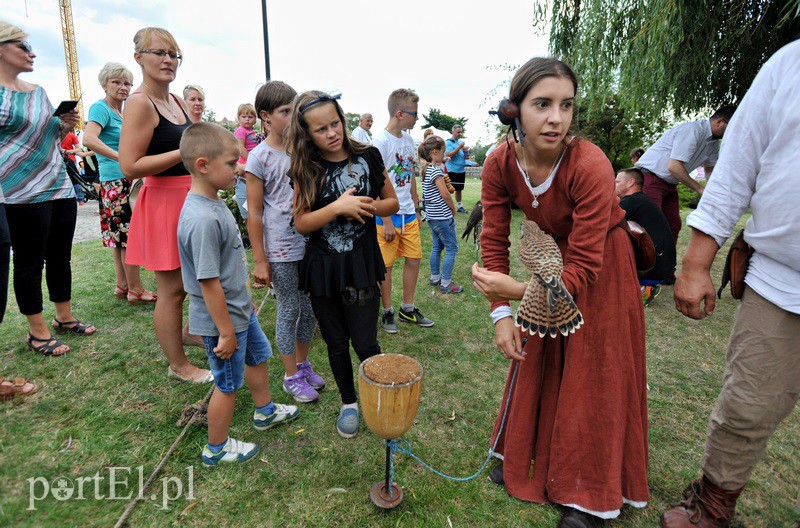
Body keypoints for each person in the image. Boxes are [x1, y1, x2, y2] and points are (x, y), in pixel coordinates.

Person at [471, 57, 648, 527]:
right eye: (542, 104)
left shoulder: (589, 163)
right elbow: (493, 239)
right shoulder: (499, 163)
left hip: (603, 266)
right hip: (553, 263)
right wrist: (500, 314)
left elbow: (585, 265)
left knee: (593, 371)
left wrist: (518, 290)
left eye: (566, 105)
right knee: (543, 358)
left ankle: (588, 494)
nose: (556, 118)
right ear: (514, 110)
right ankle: (527, 454)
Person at [661, 40, 800, 528]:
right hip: (784, 280)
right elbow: (737, 165)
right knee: (749, 403)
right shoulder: (790, 63)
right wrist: (695, 263)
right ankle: (714, 504)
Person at [177, 122, 299, 466]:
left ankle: (265, 411)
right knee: (227, 383)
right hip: (223, 323)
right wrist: (226, 332)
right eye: (232, 163)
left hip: (238, 311)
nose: (239, 168)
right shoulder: (202, 219)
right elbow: (208, 283)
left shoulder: (214, 202)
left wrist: (244, 304)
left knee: (257, 356)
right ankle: (216, 448)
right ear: (203, 165)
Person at [287, 90, 399, 438]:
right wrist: (337, 208)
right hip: (323, 269)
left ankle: (377, 396)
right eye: (321, 129)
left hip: (360, 264)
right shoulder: (304, 166)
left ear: (343, 119)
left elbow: (392, 202)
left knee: (365, 343)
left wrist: (365, 207)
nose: (332, 133)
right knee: (335, 342)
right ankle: (349, 403)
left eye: (335, 123)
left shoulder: (368, 155)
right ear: (307, 134)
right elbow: (301, 222)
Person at [119, 27, 211, 383]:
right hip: (163, 201)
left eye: (173, 54)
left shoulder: (175, 100)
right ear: (139, 58)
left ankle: (190, 332)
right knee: (171, 290)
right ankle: (179, 365)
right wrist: (184, 152)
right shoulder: (139, 102)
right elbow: (130, 165)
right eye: (159, 53)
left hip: (190, 196)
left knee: (195, 281)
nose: (168, 60)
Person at [0, 21, 97, 356]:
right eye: (24, 46)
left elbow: (50, 136)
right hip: (20, 190)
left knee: (60, 255)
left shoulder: (38, 91)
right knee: (29, 261)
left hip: (58, 183)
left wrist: (63, 125)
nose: (32, 53)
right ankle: (37, 331)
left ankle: (64, 317)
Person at [246, 81, 325, 403]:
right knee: (289, 308)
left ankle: (302, 364)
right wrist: (260, 260)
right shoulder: (259, 158)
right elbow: (254, 213)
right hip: (280, 248)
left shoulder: (302, 149)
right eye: (285, 111)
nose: (293, 117)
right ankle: (290, 376)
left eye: (294, 110)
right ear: (265, 116)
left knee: (311, 309)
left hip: (310, 243)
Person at [83, 62, 157, 306]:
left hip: (121, 179)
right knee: (128, 236)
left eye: (127, 83)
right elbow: (89, 139)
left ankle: (122, 285)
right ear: (104, 84)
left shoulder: (121, 112)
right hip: (117, 180)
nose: (123, 87)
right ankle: (135, 290)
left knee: (119, 238)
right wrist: (121, 157)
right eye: (116, 82)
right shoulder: (100, 108)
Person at [372, 88, 434, 333]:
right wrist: (386, 219)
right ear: (400, 113)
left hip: (408, 212)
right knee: (386, 266)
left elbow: (410, 178)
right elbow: (374, 182)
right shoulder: (380, 141)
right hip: (387, 216)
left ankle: (407, 308)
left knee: (414, 259)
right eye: (414, 113)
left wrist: (417, 209)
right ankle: (387, 311)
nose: (417, 118)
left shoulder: (409, 141)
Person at [635, 105, 736, 244]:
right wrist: (701, 189)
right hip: (650, 179)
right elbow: (674, 167)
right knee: (650, 227)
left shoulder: (713, 142)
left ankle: (667, 258)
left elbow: (710, 169)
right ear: (719, 122)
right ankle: (640, 258)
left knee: (673, 226)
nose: (732, 133)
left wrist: (715, 191)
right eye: (732, 127)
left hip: (670, 184)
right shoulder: (693, 130)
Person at [614, 167, 676, 306]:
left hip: (653, 269)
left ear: (630, 182)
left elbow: (603, 221)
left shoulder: (631, 202)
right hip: (663, 266)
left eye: (617, 182)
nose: (614, 184)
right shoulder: (642, 201)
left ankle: (643, 289)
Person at [418, 135, 462, 293]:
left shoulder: (425, 170)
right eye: (443, 152)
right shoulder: (436, 171)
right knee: (451, 248)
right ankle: (446, 283)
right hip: (442, 217)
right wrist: (453, 208)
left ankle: (435, 277)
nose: (444, 155)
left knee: (437, 247)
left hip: (432, 216)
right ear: (434, 152)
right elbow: (445, 194)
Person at [233, 103, 262, 221]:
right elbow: (240, 147)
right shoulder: (241, 131)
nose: (247, 119)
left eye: (250, 117)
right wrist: (251, 160)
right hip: (246, 160)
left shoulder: (253, 131)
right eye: (244, 117)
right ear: (239, 118)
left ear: (255, 119)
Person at [445, 124, 469, 213]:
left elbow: (461, 155)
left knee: (459, 189)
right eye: (458, 132)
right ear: (453, 132)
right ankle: (446, 207)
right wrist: (459, 147)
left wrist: (466, 153)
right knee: (449, 189)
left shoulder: (460, 142)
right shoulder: (449, 142)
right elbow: (448, 154)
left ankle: (459, 207)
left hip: (461, 170)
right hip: (452, 170)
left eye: (461, 132)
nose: (460, 134)